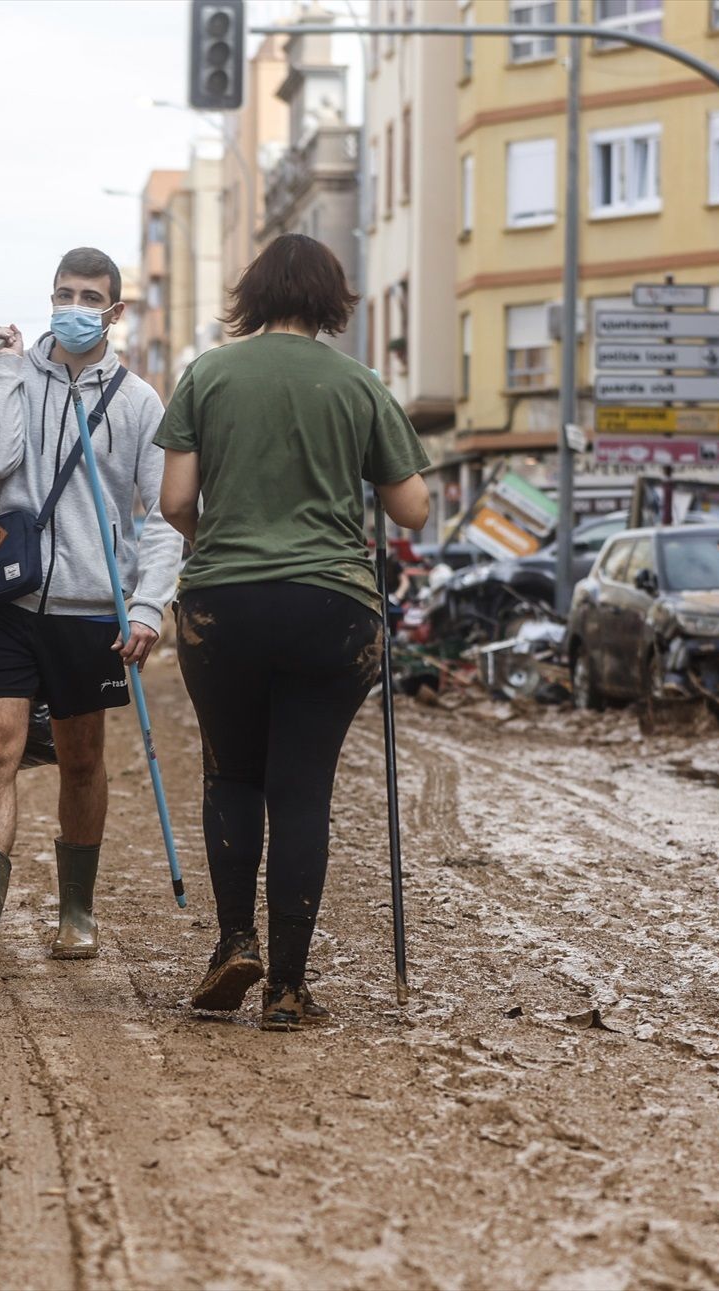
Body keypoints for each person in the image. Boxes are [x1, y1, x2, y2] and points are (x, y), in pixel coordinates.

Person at [155, 233, 430, 1031]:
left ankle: (233, 941)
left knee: (231, 774)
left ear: (252, 292)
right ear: (329, 299)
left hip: (224, 606)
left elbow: (175, 501)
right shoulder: (358, 383)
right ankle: (287, 987)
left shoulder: (206, 372)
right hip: (331, 607)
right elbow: (409, 508)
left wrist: (219, 545)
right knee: (300, 788)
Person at [0, 247, 183, 974]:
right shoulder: (10, 374)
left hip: (89, 607)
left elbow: (167, 513)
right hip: (4, 598)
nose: (71, 307)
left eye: (89, 297)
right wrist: (8, 374)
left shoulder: (141, 402)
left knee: (82, 760)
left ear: (115, 312)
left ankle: (77, 911)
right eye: (62, 293)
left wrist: (147, 606)